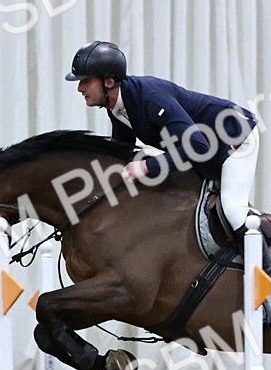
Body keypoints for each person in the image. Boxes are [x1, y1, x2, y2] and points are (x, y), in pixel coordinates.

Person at [65, 40, 259, 240]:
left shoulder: (150, 98)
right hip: (205, 152)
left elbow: (198, 147)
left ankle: (266, 268)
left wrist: (146, 166)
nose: (80, 88)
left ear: (109, 82)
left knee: (233, 210)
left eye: (86, 81)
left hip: (236, 134)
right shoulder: (117, 110)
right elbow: (121, 157)